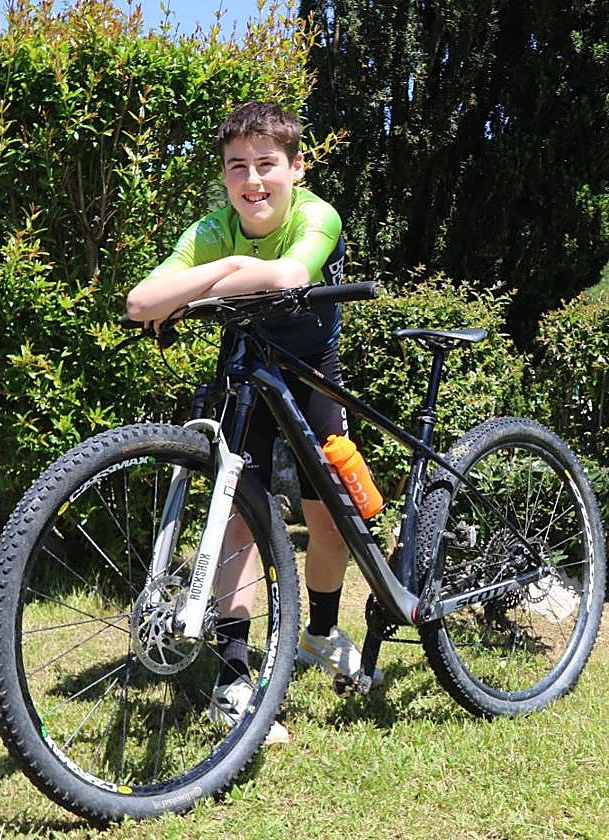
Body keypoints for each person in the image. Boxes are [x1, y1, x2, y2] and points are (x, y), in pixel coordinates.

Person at [126, 101, 381, 744]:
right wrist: (225, 268)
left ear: (296, 167)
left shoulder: (318, 215)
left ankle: (319, 634)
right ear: (224, 177)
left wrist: (202, 287)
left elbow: (290, 274)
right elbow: (140, 301)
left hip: (313, 367)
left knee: (332, 516)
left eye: (267, 164)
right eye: (238, 167)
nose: (253, 180)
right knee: (239, 514)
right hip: (246, 363)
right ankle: (234, 676)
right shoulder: (215, 230)